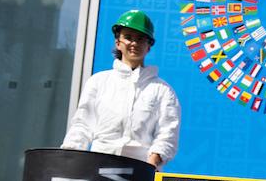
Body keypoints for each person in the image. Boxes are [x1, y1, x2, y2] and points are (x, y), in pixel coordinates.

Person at [62, 10, 180, 169]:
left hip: (140, 172)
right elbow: (82, 125)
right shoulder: (98, 82)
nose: (134, 43)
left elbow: (167, 134)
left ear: (149, 46)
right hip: (97, 168)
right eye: (128, 37)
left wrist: (151, 165)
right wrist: (68, 159)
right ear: (118, 42)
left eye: (140, 39)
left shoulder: (163, 91)